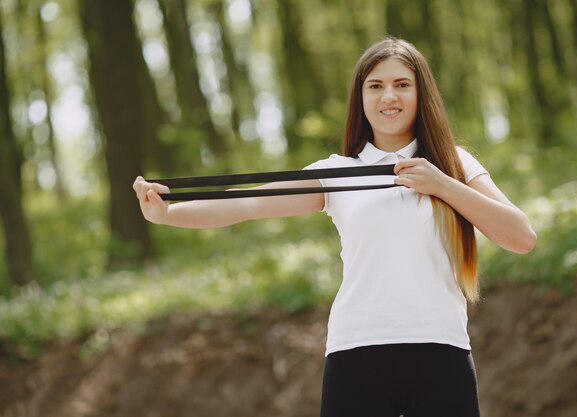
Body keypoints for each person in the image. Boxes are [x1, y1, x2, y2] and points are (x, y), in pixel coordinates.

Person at [133, 37, 536, 417]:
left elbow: (520, 237)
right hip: (357, 352)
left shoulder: (455, 164)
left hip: (442, 349)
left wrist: (443, 185)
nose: (388, 96)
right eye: (375, 86)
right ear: (361, 99)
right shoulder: (336, 173)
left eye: (402, 84)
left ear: (421, 93)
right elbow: (247, 203)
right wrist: (167, 212)